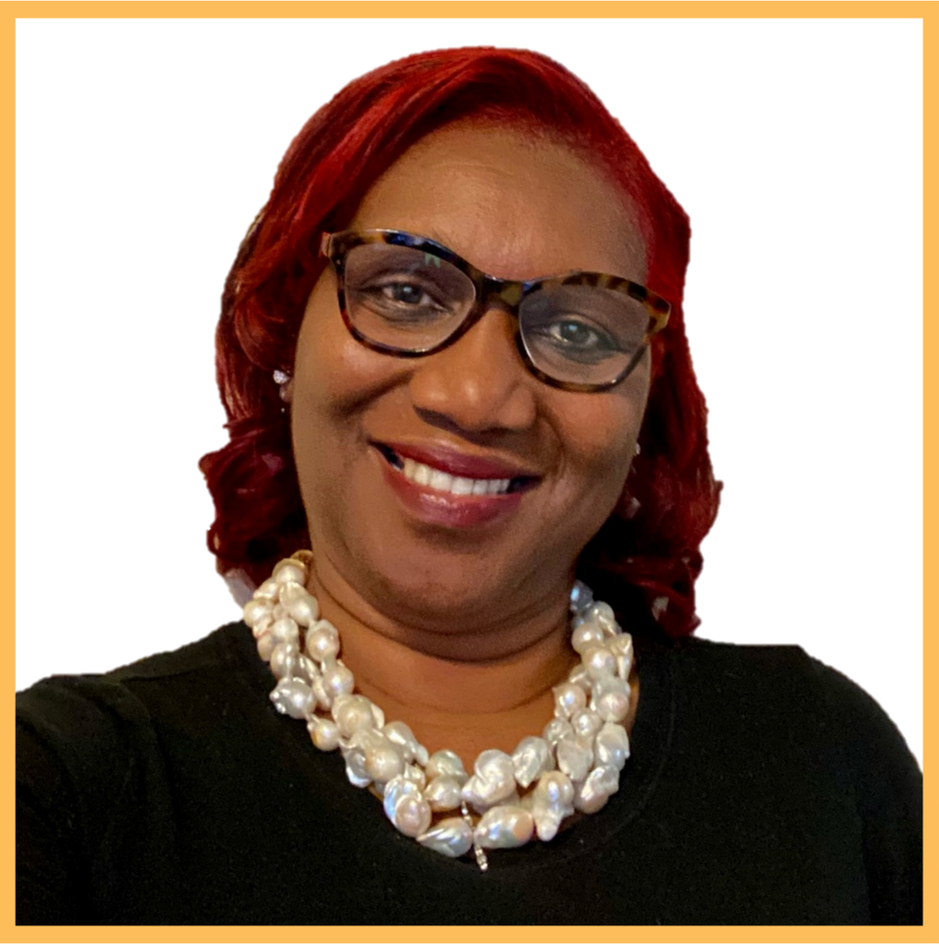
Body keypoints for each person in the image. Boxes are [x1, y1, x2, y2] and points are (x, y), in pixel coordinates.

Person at [16, 47, 922, 925]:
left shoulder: (822, 765)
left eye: (575, 330)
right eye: (406, 291)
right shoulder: (66, 789)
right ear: (286, 327)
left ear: (646, 406)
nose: (477, 397)